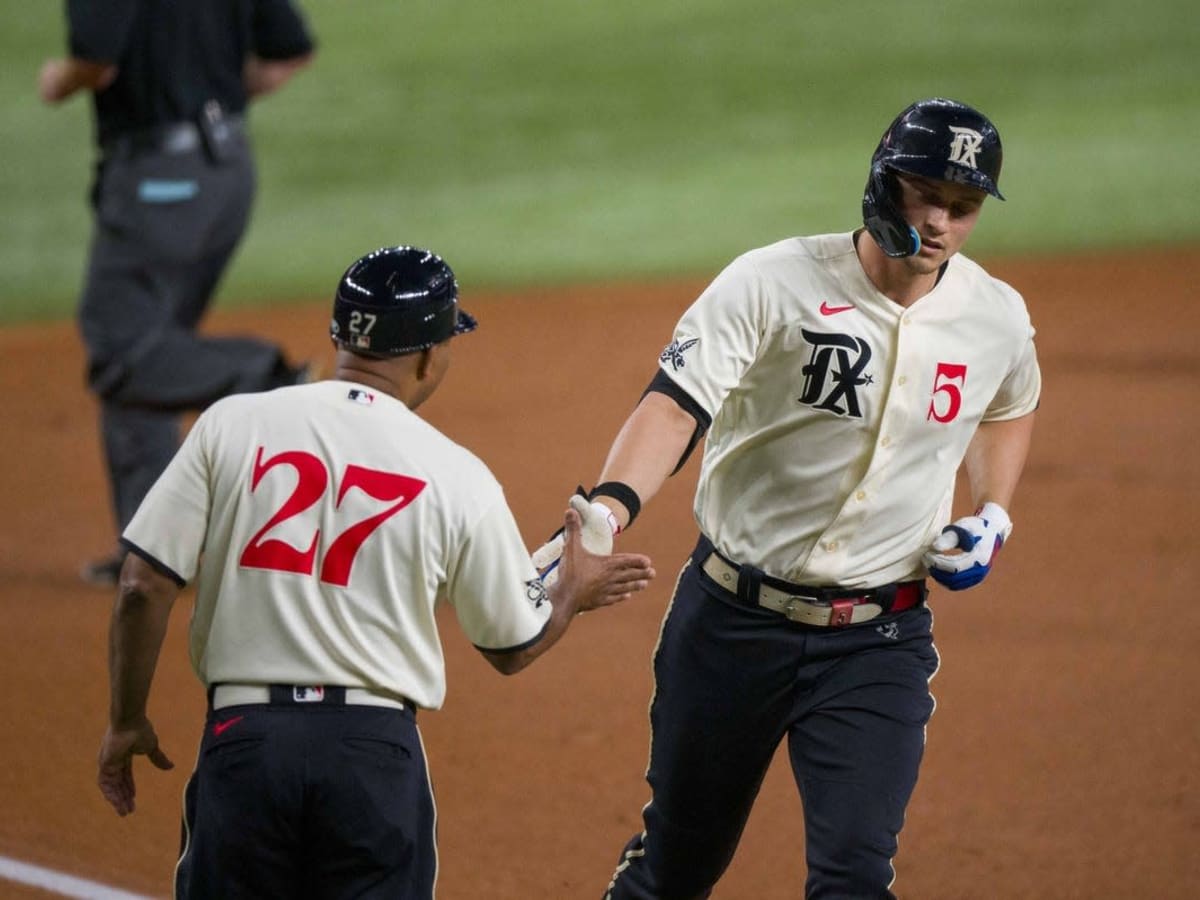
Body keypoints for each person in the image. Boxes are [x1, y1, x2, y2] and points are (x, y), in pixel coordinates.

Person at [533, 98, 1042, 898]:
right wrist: (606, 509)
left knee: (854, 879)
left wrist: (994, 512)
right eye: (925, 195)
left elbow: (1010, 403)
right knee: (678, 868)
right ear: (882, 184)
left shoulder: (995, 318)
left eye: (965, 206)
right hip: (731, 626)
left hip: (879, 641)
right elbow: (675, 403)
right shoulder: (772, 282)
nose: (942, 222)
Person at [95, 245, 657, 898]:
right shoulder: (455, 472)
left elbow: (141, 585)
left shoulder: (232, 423)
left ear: (340, 335)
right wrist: (571, 593)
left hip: (245, 743)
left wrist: (126, 719)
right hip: (372, 756)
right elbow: (513, 644)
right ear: (427, 354)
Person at [38, 0, 317, 587]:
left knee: (122, 351)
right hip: (228, 168)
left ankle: (268, 377)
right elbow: (289, 50)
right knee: (152, 351)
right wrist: (209, 95)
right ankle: (154, 551)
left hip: (161, 181)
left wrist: (57, 81)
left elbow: (96, 61)